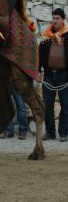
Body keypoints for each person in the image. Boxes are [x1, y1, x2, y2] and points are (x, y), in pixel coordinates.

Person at [39, 8, 68, 142]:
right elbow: (39, 55)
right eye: (54, 18)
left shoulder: (67, 35)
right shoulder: (47, 36)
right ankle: (50, 132)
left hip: (64, 75)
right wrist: (38, 70)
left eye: (58, 18)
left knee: (66, 106)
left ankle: (63, 133)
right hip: (49, 75)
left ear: (63, 19)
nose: (55, 20)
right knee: (48, 105)